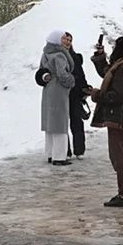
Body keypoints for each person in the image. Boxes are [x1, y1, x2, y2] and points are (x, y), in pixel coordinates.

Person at [87, 36, 123, 207]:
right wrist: (101, 56)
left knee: (117, 156)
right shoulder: (121, 64)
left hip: (119, 116)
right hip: (119, 116)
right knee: (119, 154)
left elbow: (118, 95)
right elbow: (107, 73)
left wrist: (96, 95)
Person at [40, 30, 76, 166]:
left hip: (48, 88)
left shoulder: (45, 54)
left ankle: (50, 154)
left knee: (50, 123)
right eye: (62, 38)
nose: (64, 40)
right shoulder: (60, 55)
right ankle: (59, 157)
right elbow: (62, 73)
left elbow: (41, 71)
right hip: (58, 89)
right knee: (60, 123)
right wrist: (71, 81)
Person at [63, 32, 91, 160]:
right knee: (62, 124)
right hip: (61, 94)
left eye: (70, 40)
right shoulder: (56, 57)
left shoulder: (76, 57)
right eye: (65, 39)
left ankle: (79, 150)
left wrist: (84, 88)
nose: (68, 42)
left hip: (74, 95)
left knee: (77, 122)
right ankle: (65, 151)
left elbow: (81, 75)